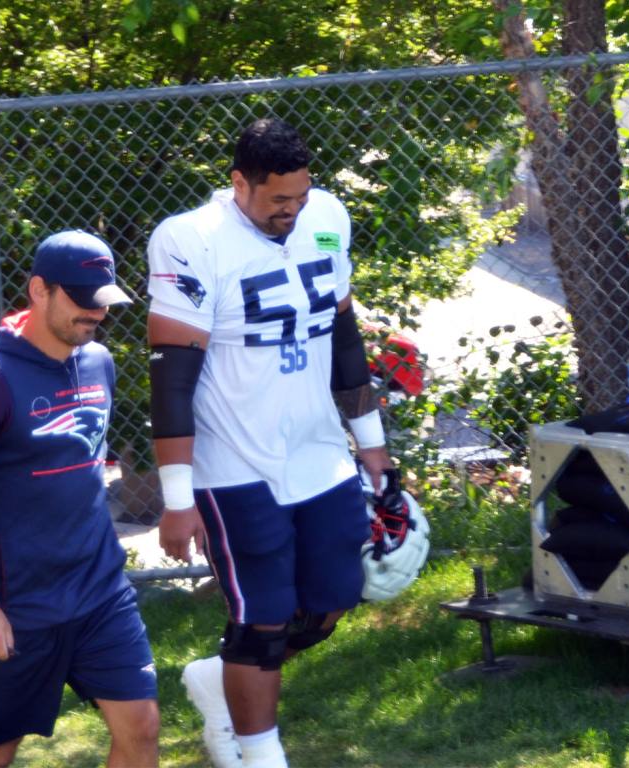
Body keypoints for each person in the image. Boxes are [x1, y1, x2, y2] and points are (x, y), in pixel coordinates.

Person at [146, 117, 394, 768]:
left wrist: (373, 449)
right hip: (234, 462)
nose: (292, 210)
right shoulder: (191, 241)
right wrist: (177, 498)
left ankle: (215, 676)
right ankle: (258, 754)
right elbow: (172, 381)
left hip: (318, 451)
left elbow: (344, 342)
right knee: (262, 622)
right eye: (278, 199)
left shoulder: (327, 216)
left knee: (336, 596)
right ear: (239, 184)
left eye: (301, 195)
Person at [0, 230, 160, 768]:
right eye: (81, 300)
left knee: (142, 726)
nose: (95, 314)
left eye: (102, 301)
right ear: (39, 290)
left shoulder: (99, 362)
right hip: (17, 602)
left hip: (99, 589)